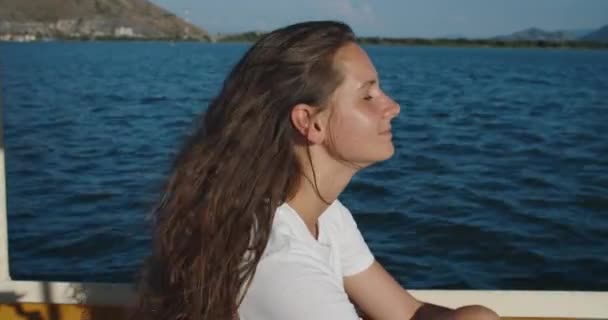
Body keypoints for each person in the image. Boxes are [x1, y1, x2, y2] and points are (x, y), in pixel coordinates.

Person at [133, 21, 500, 320]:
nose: (394, 107)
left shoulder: (325, 217)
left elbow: (407, 313)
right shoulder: (280, 264)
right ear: (310, 122)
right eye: (368, 96)